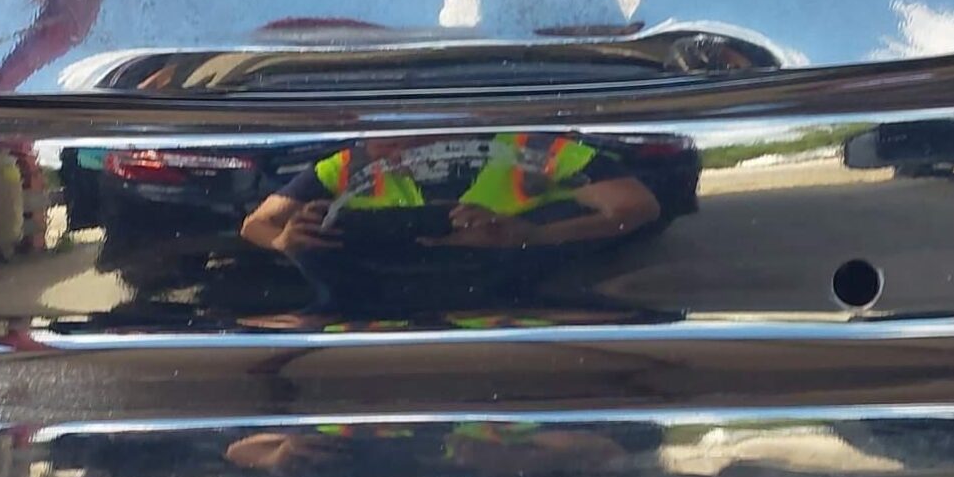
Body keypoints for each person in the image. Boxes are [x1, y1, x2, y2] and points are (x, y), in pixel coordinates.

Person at [239, 132, 661, 313]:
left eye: (406, 129)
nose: (386, 146)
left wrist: (533, 235)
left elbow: (637, 207)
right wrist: (283, 241)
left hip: (520, 306)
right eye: (374, 128)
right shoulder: (349, 164)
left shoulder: (529, 149)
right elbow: (255, 225)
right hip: (375, 313)